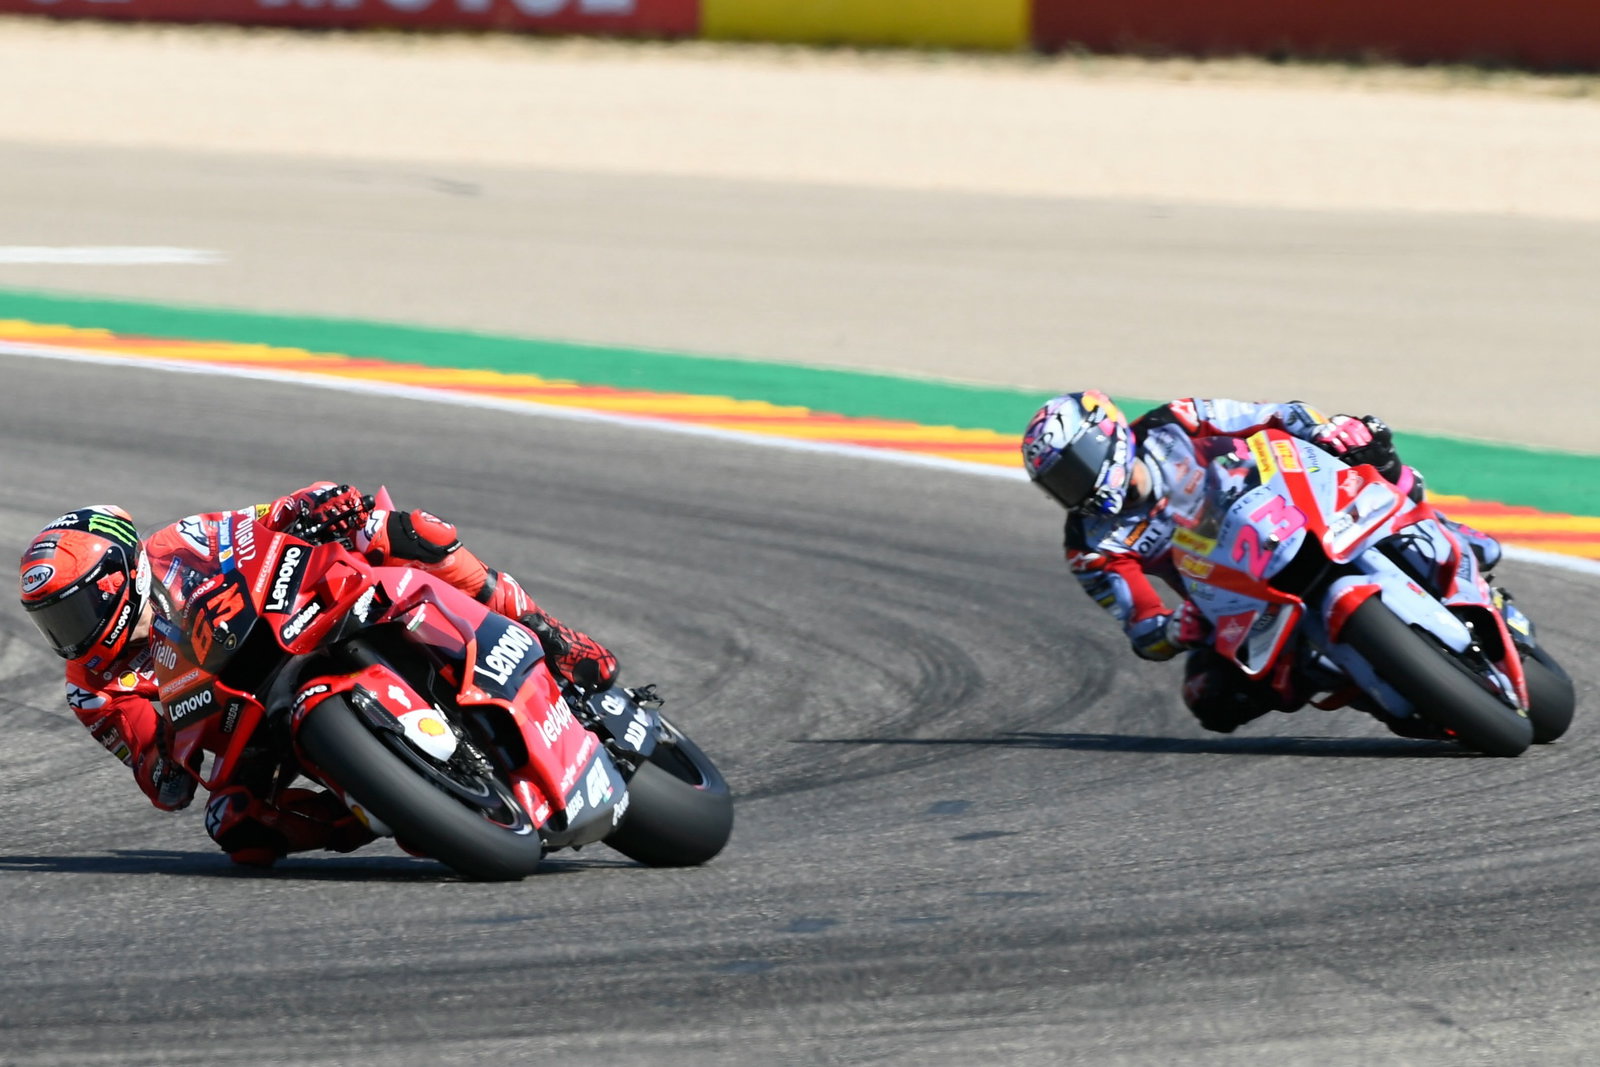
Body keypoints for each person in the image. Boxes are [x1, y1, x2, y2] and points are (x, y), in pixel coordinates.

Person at [17, 483, 618, 867]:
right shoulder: (90, 685)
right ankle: (378, 806)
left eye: (74, 611)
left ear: (121, 579)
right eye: (54, 621)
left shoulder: (181, 543)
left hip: (296, 617)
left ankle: (548, 632)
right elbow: (163, 781)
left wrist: (312, 507)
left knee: (403, 533)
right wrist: (165, 759)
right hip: (242, 719)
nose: (69, 634)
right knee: (237, 828)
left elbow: (264, 519)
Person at [1021, 392, 1504, 737]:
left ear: (1108, 438)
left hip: (1287, 508)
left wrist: (1325, 430)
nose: (1076, 489)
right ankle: (1378, 684)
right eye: (1059, 484)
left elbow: (1274, 416)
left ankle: (1448, 534)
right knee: (1210, 700)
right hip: (1233, 598)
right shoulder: (1090, 545)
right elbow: (1142, 626)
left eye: (1075, 468)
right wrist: (1175, 629)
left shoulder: (1175, 421)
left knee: (1369, 447)